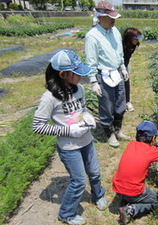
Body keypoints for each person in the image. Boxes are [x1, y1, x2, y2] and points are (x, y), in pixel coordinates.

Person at [32, 50, 107, 225]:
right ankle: (66, 214)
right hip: (69, 147)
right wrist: (68, 130)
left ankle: (98, 195)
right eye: (76, 73)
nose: (81, 77)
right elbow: (38, 126)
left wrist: (87, 117)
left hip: (86, 140)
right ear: (62, 74)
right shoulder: (49, 98)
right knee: (79, 181)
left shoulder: (78, 89)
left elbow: (82, 109)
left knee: (95, 172)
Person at [85, 0, 130, 148]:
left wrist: (123, 68)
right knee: (106, 106)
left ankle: (118, 129)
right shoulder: (92, 36)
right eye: (110, 18)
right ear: (100, 17)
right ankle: (109, 133)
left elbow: (119, 52)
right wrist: (93, 82)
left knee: (120, 104)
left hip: (116, 72)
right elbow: (91, 61)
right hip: (103, 75)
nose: (113, 21)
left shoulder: (115, 31)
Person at [112, 121, 158, 225]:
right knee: (155, 201)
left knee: (129, 186)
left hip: (117, 188)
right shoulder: (152, 152)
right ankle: (130, 210)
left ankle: (126, 201)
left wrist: (154, 147)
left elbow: (142, 152)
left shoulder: (131, 144)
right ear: (153, 138)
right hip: (134, 191)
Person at [122, 27, 144, 112]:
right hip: (117, 65)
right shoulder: (121, 45)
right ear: (129, 38)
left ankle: (127, 102)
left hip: (125, 64)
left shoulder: (133, 45)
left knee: (126, 82)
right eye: (135, 38)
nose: (137, 41)